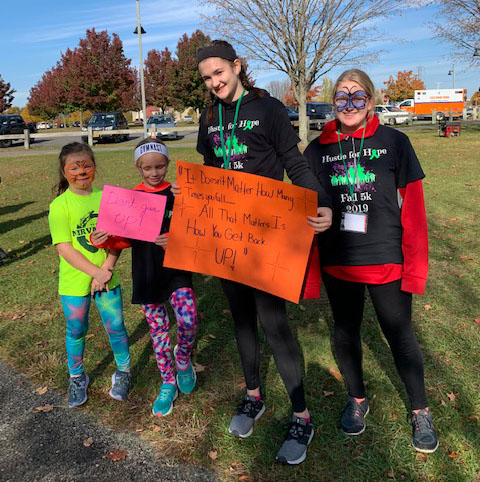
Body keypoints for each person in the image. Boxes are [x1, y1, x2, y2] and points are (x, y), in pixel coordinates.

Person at [194, 40, 333, 465]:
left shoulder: (267, 109)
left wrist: (319, 200)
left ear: (237, 67)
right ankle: (253, 394)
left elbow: (295, 161)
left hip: (265, 234)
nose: (214, 82)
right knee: (241, 319)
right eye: (206, 77)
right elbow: (210, 170)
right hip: (225, 236)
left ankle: (301, 415)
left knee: (275, 324)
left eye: (219, 72)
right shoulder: (208, 117)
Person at [304, 69, 439, 453]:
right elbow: (301, 206)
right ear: (333, 103)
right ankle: (357, 398)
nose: (349, 105)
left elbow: (413, 210)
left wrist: (415, 269)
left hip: (386, 259)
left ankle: (419, 409)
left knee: (400, 334)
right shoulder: (317, 150)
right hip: (338, 259)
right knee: (345, 330)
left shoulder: (395, 142)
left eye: (357, 96)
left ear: (372, 100)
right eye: (341, 98)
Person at [92, 139, 198, 417]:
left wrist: (177, 238)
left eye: (160, 166)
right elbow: (120, 239)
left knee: (188, 321)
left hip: (177, 271)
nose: (155, 173)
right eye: (148, 168)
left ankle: (183, 360)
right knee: (159, 331)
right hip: (147, 273)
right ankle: (167, 382)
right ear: (138, 168)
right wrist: (101, 238)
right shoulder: (130, 198)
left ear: (168, 164)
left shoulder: (178, 193)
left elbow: (197, 229)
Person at [48, 142, 131, 409]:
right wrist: (95, 271)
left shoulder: (107, 198)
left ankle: (124, 372)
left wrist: (106, 268)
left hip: (106, 276)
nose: (81, 172)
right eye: (74, 167)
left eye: (87, 165)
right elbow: (64, 248)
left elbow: (118, 239)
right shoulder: (60, 205)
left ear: (94, 167)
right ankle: (76, 376)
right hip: (74, 282)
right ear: (64, 171)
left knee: (115, 327)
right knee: (76, 329)